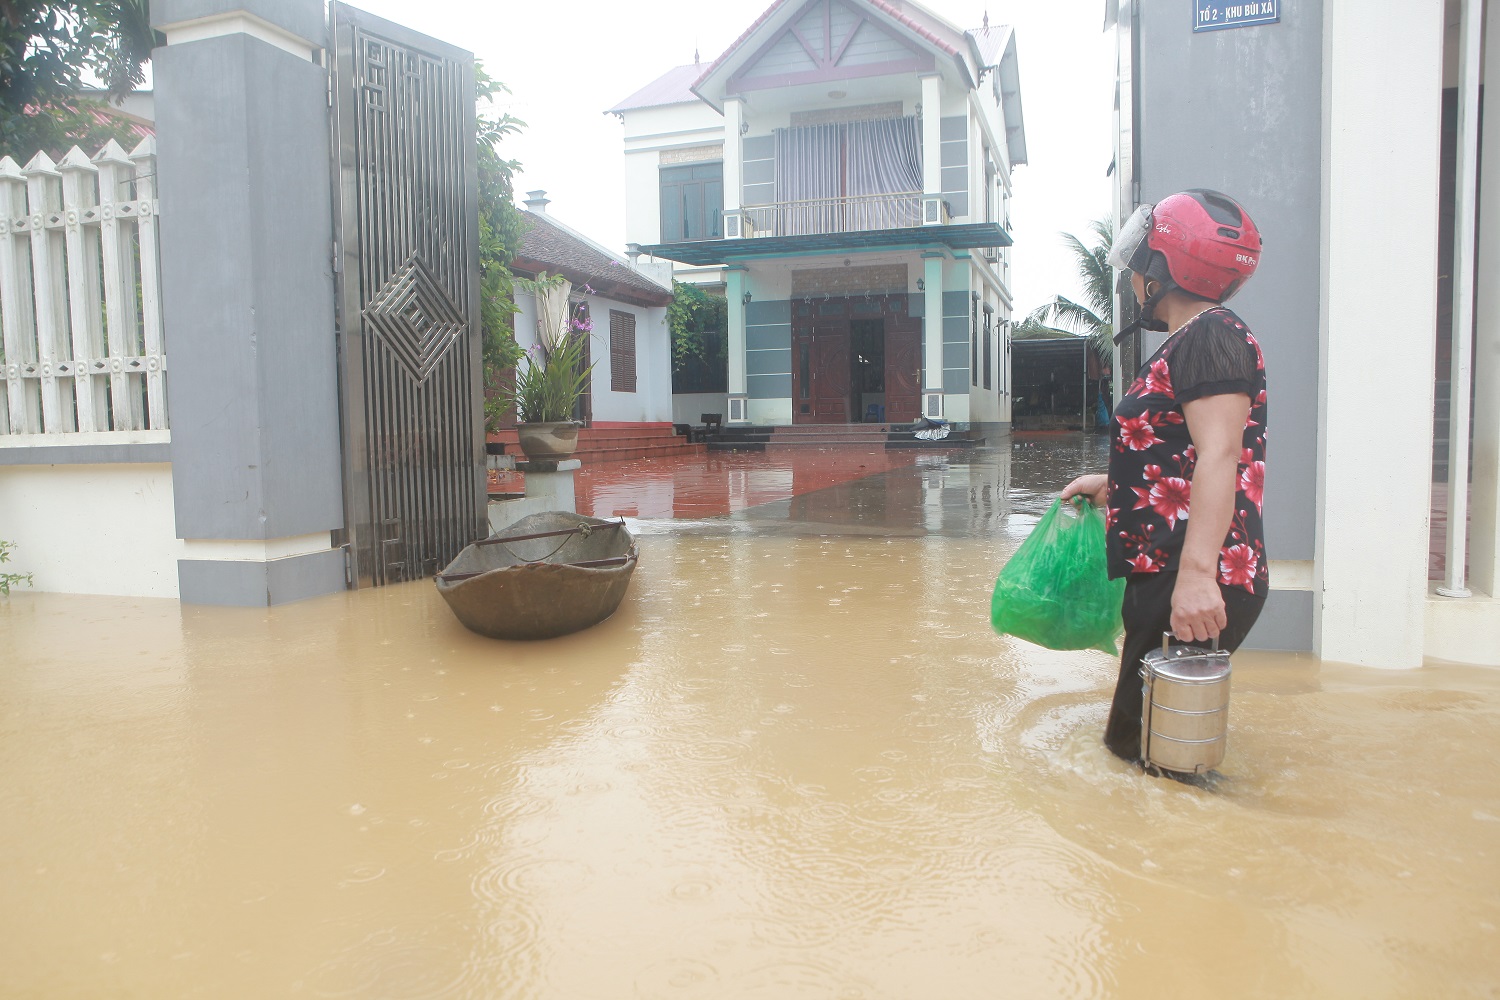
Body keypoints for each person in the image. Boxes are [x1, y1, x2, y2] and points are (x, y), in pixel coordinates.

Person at [1061, 190, 1268, 769]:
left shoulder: (1209, 337)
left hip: (1193, 577)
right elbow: (1185, 450)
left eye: (1139, 264)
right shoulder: (1197, 340)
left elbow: (1221, 453)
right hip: (1174, 571)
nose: (1132, 278)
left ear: (1161, 269)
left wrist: (1199, 577)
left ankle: (1176, 859)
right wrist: (1114, 487)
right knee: (1155, 749)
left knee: (1146, 758)